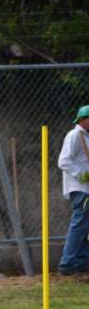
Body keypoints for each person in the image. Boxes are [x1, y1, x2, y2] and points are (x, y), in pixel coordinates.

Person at [56, 105, 89, 275]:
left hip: (86, 189)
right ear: (83, 120)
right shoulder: (75, 135)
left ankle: (82, 262)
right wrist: (82, 174)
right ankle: (67, 263)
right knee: (79, 224)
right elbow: (63, 161)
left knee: (85, 226)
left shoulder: (86, 137)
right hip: (80, 188)